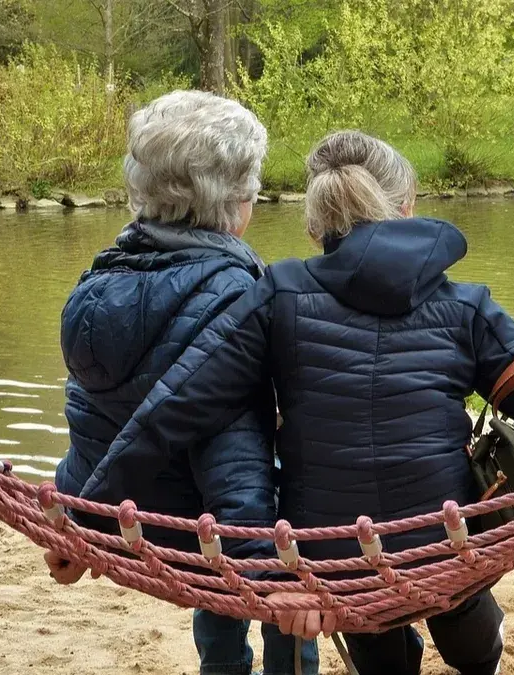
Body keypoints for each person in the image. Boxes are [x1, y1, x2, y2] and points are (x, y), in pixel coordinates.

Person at [80, 130, 514, 675]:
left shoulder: (278, 293)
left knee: (366, 610)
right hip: (443, 546)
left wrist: (82, 520)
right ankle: (480, 653)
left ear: (316, 226)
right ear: (405, 208)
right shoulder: (467, 306)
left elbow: (177, 408)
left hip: (333, 562)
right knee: (456, 588)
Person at [46, 90, 318, 675]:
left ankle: (221, 664)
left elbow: (90, 415)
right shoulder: (240, 298)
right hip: (204, 529)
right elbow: (233, 450)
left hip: (125, 513)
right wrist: (265, 573)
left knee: (219, 555)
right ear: (237, 203)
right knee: (288, 531)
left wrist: (77, 515)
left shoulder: (95, 285)